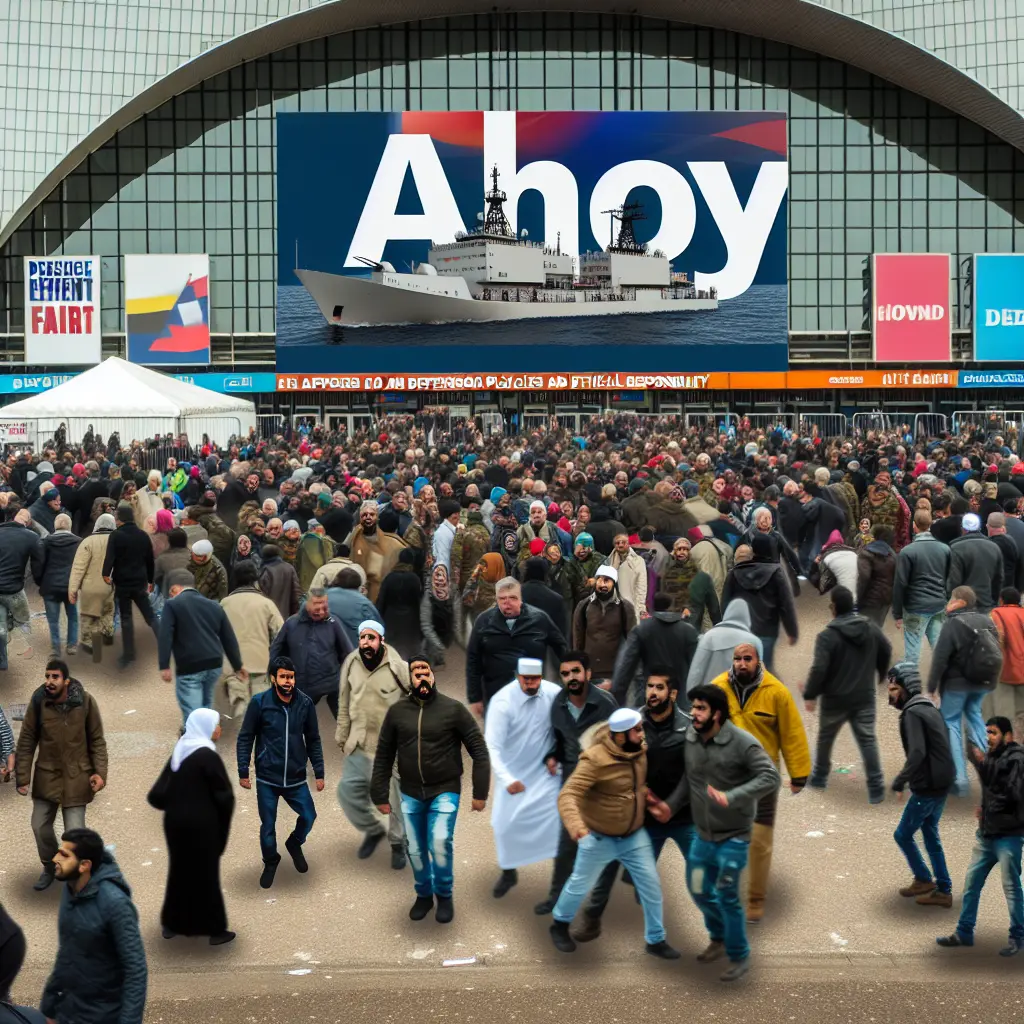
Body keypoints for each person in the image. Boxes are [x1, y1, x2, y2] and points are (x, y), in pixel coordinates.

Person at [548, 706, 681, 960]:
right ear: (620, 735)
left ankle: (655, 940)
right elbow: (568, 795)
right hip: (599, 837)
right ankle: (559, 925)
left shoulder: (638, 751)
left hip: (633, 836)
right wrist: (579, 831)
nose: (643, 734)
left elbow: (636, 786)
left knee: (651, 887)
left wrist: (651, 801)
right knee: (579, 885)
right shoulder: (595, 760)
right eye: (638, 730)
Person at [574, 670, 695, 943]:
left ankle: (721, 931)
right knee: (609, 861)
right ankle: (592, 918)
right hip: (642, 816)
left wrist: (670, 806)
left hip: (684, 816)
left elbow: (694, 773)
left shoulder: (688, 727)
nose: (652, 692)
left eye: (659, 688)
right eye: (650, 686)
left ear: (673, 694)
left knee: (702, 871)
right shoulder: (632, 723)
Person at [371, 654, 490, 924]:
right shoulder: (398, 712)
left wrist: (480, 793)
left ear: (432, 675)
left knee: (439, 842)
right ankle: (424, 895)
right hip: (411, 791)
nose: (422, 676)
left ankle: (444, 896)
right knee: (414, 848)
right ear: (410, 679)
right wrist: (378, 793)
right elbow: (384, 754)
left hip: (445, 789)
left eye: (426, 670)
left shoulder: (453, 709)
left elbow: (479, 752)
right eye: (416, 672)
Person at [683, 684, 781, 981]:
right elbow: (688, 781)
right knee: (698, 888)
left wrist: (733, 796)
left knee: (726, 892)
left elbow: (770, 776)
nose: (694, 714)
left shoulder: (742, 743)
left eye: (701, 708)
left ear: (717, 713)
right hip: (703, 838)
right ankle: (719, 937)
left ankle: (739, 956)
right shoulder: (690, 737)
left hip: (734, 838)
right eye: (693, 707)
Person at [710, 643, 810, 922]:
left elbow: (792, 733)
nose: (742, 664)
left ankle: (755, 899)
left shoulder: (776, 692)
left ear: (758, 661)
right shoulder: (718, 688)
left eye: (747, 659)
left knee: (760, 841)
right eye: (737, 659)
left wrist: (798, 773)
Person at [536, 650, 617, 916]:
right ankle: (555, 897)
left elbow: (620, 744)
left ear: (588, 674)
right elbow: (558, 740)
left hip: (601, 784)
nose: (571, 677)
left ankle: (598, 905)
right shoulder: (558, 704)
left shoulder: (606, 704)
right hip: (570, 782)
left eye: (576, 672)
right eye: (565, 673)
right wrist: (552, 755)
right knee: (567, 842)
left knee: (607, 844)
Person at [15, 660, 107, 892]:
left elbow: (96, 740)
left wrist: (99, 772)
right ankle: (49, 866)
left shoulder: (85, 702)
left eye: (55, 676)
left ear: (66, 680)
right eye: (47, 676)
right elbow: (27, 740)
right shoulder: (38, 702)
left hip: (77, 778)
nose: (49, 681)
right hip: (47, 776)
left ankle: (77, 877)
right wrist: (23, 777)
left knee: (75, 835)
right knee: (39, 826)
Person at [40, 828, 147, 1024]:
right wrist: (50, 1007)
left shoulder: (116, 903)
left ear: (84, 865)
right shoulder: (70, 890)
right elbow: (67, 951)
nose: (55, 858)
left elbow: (136, 970)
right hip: (69, 1011)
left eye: (64, 855)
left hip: (102, 1016)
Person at [146, 708, 235, 944]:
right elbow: (225, 797)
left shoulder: (180, 751)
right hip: (202, 825)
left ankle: (172, 924)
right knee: (206, 876)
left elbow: (156, 795)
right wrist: (221, 828)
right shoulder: (208, 756)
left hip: (175, 824)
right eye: (216, 724)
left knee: (180, 872)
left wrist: (178, 804)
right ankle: (216, 931)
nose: (219, 729)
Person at [236, 657, 325, 889]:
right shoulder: (260, 703)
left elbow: (313, 739)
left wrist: (319, 771)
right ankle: (271, 861)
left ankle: (294, 843)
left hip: (296, 778)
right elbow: (246, 737)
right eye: (284, 676)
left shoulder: (304, 704)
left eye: (291, 677)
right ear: (274, 678)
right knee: (268, 826)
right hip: (267, 778)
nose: (288, 681)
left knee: (309, 816)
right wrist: (243, 770)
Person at [938, 716, 1024, 955]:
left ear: (1007, 736)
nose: (988, 737)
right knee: (971, 885)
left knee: (1011, 888)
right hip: (986, 835)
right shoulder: (994, 757)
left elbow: (1013, 793)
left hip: (1008, 836)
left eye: (993, 732)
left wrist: (990, 808)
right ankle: (964, 932)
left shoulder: (1017, 758)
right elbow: (992, 788)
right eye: (987, 732)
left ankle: (1018, 937)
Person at [803, 585, 890, 802]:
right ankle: (876, 787)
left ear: (833, 608)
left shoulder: (827, 636)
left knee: (826, 737)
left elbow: (820, 668)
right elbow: (886, 648)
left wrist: (810, 694)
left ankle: (820, 777)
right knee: (867, 739)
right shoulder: (870, 627)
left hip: (835, 697)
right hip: (864, 695)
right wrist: (880, 673)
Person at [485, 657, 563, 900]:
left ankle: (561, 880)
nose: (531, 683)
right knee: (503, 824)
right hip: (514, 772)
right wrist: (507, 779)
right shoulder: (502, 702)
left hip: (546, 770)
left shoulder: (553, 693)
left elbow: (568, 726)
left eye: (535, 679)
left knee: (560, 822)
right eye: (526, 679)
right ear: (517, 676)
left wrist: (558, 755)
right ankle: (509, 873)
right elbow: (493, 746)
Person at [336, 620, 410, 869]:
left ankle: (398, 843)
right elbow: (344, 700)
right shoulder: (351, 662)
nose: (366, 643)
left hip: (389, 746)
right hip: (358, 740)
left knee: (393, 799)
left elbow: (420, 697)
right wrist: (341, 733)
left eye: (371, 638)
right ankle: (373, 829)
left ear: (381, 640)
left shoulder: (399, 668)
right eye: (362, 638)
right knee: (347, 792)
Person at [887, 663, 955, 909]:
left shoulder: (912, 713)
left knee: (903, 835)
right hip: (942, 782)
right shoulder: (928, 707)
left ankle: (933, 883)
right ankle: (934, 884)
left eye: (894, 688)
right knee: (929, 833)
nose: (891, 694)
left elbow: (917, 753)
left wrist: (900, 781)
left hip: (928, 786)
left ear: (906, 687)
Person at [928, 586, 1003, 797]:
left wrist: (932, 687)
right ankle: (994, 770)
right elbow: (997, 648)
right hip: (983, 682)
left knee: (951, 722)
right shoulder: (986, 620)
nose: (948, 603)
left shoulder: (953, 624)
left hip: (957, 685)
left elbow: (940, 658)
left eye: (951, 599)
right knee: (975, 716)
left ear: (960, 602)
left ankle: (960, 780)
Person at [158, 569, 246, 729]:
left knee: (193, 713)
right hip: (214, 663)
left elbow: (165, 635)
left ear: (176, 588)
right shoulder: (214, 606)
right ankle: (207, 734)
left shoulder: (172, 605)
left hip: (189, 665)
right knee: (206, 704)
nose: (171, 595)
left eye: (171, 591)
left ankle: (196, 743)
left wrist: (164, 665)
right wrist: (238, 666)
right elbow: (228, 638)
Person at [466, 576, 568, 714]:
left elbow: (562, 649)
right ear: (496, 599)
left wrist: (569, 678)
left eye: (513, 598)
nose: (507, 603)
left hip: (531, 693)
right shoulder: (484, 622)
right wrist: (474, 697)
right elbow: (473, 659)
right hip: (495, 694)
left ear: (521, 598)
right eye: (502, 599)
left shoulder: (539, 619)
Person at [269, 586, 352, 718]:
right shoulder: (292, 623)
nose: (321, 611)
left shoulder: (333, 623)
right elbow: (276, 650)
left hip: (331, 682)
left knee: (345, 720)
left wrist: (347, 677)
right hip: (302, 683)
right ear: (307, 605)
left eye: (324, 607)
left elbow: (348, 653)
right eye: (316, 608)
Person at [721, 535, 797, 671]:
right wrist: (792, 631)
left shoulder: (735, 573)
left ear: (753, 550)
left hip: (740, 630)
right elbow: (786, 604)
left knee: (742, 669)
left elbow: (725, 603)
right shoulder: (776, 572)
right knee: (765, 668)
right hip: (767, 630)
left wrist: (725, 629)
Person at [611, 591, 699, 707]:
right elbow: (697, 669)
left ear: (654, 606)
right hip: (680, 700)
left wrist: (616, 700)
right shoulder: (689, 632)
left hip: (649, 699)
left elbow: (625, 667)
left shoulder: (642, 630)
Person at [220, 561, 283, 718]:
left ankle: (245, 729)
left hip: (232, 665)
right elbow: (281, 633)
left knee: (241, 706)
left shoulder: (224, 604)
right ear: (256, 579)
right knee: (262, 706)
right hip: (260, 661)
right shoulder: (266, 604)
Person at [892, 509, 951, 666]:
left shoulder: (907, 552)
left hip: (915, 607)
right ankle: (947, 682)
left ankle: (911, 686)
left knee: (913, 650)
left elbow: (900, 584)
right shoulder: (945, 549)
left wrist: (897, 613)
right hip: (938, 604)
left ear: (914, 526)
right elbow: (949, 578)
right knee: (939, 646)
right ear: (930, 524)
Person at [101, 504, 157, 668]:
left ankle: (128, 655)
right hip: (140, 581)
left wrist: (105, 574)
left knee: (126, 618)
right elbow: (149, 560)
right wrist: (151, 580)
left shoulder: (116, 536)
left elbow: (109, 558)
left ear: (120, 519)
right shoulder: (143, 535)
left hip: (122, 583)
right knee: (150, 616)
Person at [572, 565, 636, 683]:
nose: (602, 585)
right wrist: (578, 664)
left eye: (607, 580)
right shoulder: (584, 605)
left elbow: (632, 640)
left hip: (615, 671)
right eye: (599, 580)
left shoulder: (625, 607)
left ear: (614, 583)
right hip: (590, 670)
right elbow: (577, 637)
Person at [68, 511, 116, 663]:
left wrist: (73, 589)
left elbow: (78, 568)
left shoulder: (87, 542)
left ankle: (92, 649)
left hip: (90, 587)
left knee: (89, 617)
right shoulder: (117, 541)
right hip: (110, 586)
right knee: (108, 612)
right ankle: (108, 633)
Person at [686, 601, 762, 692]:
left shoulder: (709, 637)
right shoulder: (755, 641)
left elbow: (697, 670)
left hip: (710, 697)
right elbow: (760, 674)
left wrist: (691, 694)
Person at [35, 512, 81, 657]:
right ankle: (72, 644)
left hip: (50, 585)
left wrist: (40, 581)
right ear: (70, 525)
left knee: (53, 620)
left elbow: (39, 564)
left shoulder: (46, 542)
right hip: (70, 586)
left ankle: (55, 649)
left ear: (55, 526)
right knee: (72, 616)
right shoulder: (79, 542)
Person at [0, 512, 42, 670]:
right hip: (14, 590)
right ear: (28, 522)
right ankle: (20, 645)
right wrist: (39, 582)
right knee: (23, 620)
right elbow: (37, 565)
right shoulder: (31, 537)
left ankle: (2, 660)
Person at [374, 547, 424, 659]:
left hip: (390, 619)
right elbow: (418, 602)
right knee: (409, 652)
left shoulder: (389, 577)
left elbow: (381, 601)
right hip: (410, 621)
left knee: (391, 652)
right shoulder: (414, 578)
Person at [947, 512, 1003, 612]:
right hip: (987, 604)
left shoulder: (956, 548)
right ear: (979, 527)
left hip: (963, 608)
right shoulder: (994, 547)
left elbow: (953, 581)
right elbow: (998, 580)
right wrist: (993, 602)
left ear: (963, 528)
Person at [988, 587, 1024, 725]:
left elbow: (999, 636)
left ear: (1001, 600)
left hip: (1005, 670)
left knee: (1004, 712)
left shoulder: (996, 613)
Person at [326, 567, 381, 647]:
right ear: (358, 585)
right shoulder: (364, 603)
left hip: (324, 649)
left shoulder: (322, 597)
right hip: (353, 651)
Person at [855, 523, 896, 628]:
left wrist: (857, 600)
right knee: (876, 628)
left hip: (869, 600)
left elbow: (863, 578)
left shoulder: (866, 554)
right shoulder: (893, 555)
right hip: (885, 601)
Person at [604, 532, 648, 618]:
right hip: (612, 606)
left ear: (628, 544)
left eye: (623, 542)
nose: (620, 545)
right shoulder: (607, 562)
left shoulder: (638, 561)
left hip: (631, 604)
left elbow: (641, 586)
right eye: (617, 543)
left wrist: (641, 607)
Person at [258, 543, 302, 620]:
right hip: (286, 617)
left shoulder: (265, 570)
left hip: (269, 617)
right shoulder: (289, 568)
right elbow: (296, 595)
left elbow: (261, 596)